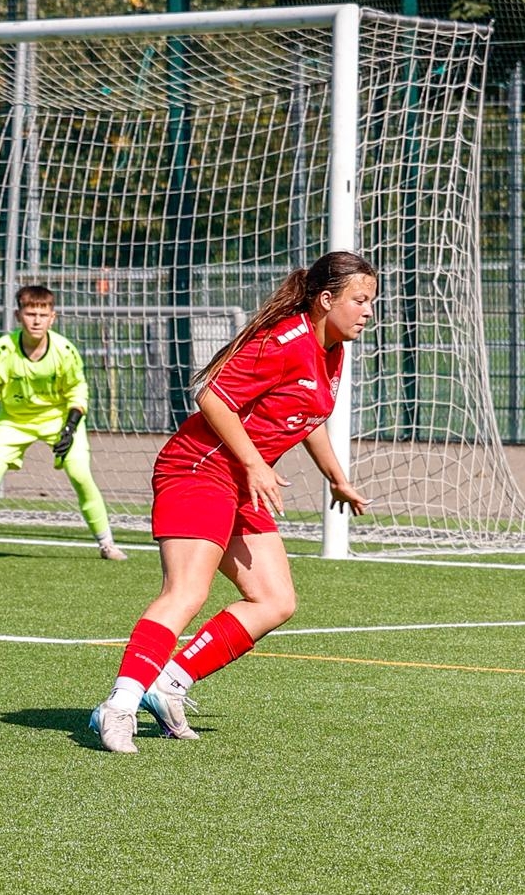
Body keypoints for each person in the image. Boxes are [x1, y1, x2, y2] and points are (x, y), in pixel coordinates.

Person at [88, 250, 376, 754]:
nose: (368, 312)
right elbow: (212, 396)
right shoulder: (283, 340)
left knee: (275, 600)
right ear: (327, 300)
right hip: (197, 469)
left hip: (241, 482)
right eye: (360, 300)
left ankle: (169, 684)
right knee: (186, 591)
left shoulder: (331, 348)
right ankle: (119, 705)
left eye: (372, 301)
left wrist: (337, 478)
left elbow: (308, 416)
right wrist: (255, 463)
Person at [0, 285, 127, 562]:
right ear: (18, 315)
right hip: (14, 421)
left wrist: (70, 427)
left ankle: (107, 544)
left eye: (43, 315)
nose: (36, 321)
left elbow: (78, 393)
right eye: (30, 313)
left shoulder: (64, 351)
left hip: (58, 419)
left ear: (52, 318)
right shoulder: (2, 350)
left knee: (81, 475)